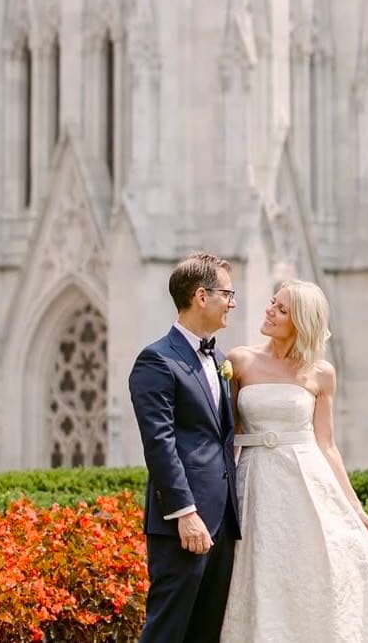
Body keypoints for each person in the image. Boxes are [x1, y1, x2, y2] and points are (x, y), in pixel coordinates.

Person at [220, 279, 368, 642]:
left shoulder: (321, 373)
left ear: (301, 321)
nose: (269, 310)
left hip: (306, 480)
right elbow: (229, 437)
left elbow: (327, 444)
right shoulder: (239, 361)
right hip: (256, 479)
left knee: (317, 565)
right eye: (273, 302)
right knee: (260, 571)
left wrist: (355, 506)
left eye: (282, 309)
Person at [128, 252, 241, 643]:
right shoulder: (157, 360)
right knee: (167, 631)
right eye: (227, 292)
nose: (233, 302)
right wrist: (185, 513)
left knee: (205, 633)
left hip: (223, 522)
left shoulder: (222, 360)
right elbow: (159, 444)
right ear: (200, 296)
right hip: (183, 523)